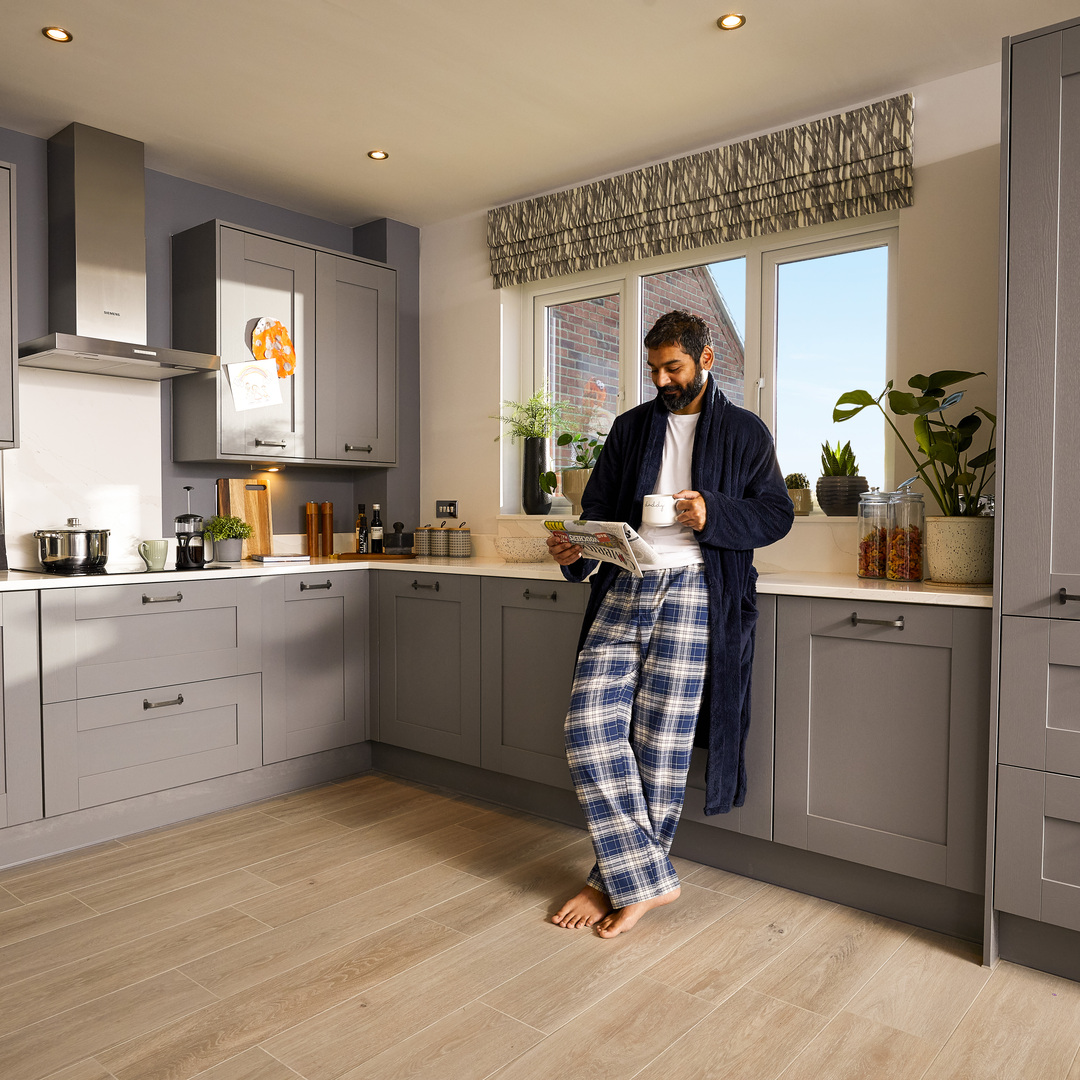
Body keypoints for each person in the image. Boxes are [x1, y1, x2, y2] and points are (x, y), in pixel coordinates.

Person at [547, 309, 794, 938]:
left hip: (696, 594)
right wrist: (578, 550)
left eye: (673, 367)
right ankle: (651, 881)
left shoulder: (744, 431)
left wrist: (714, 513)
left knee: (661, 744)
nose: (662, 378)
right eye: (654, 368)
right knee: (587, 726)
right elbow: (599, 510)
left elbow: (775, 515)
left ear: (705, 360)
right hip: (626, 583)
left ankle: (615, 883)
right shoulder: (629, 430)